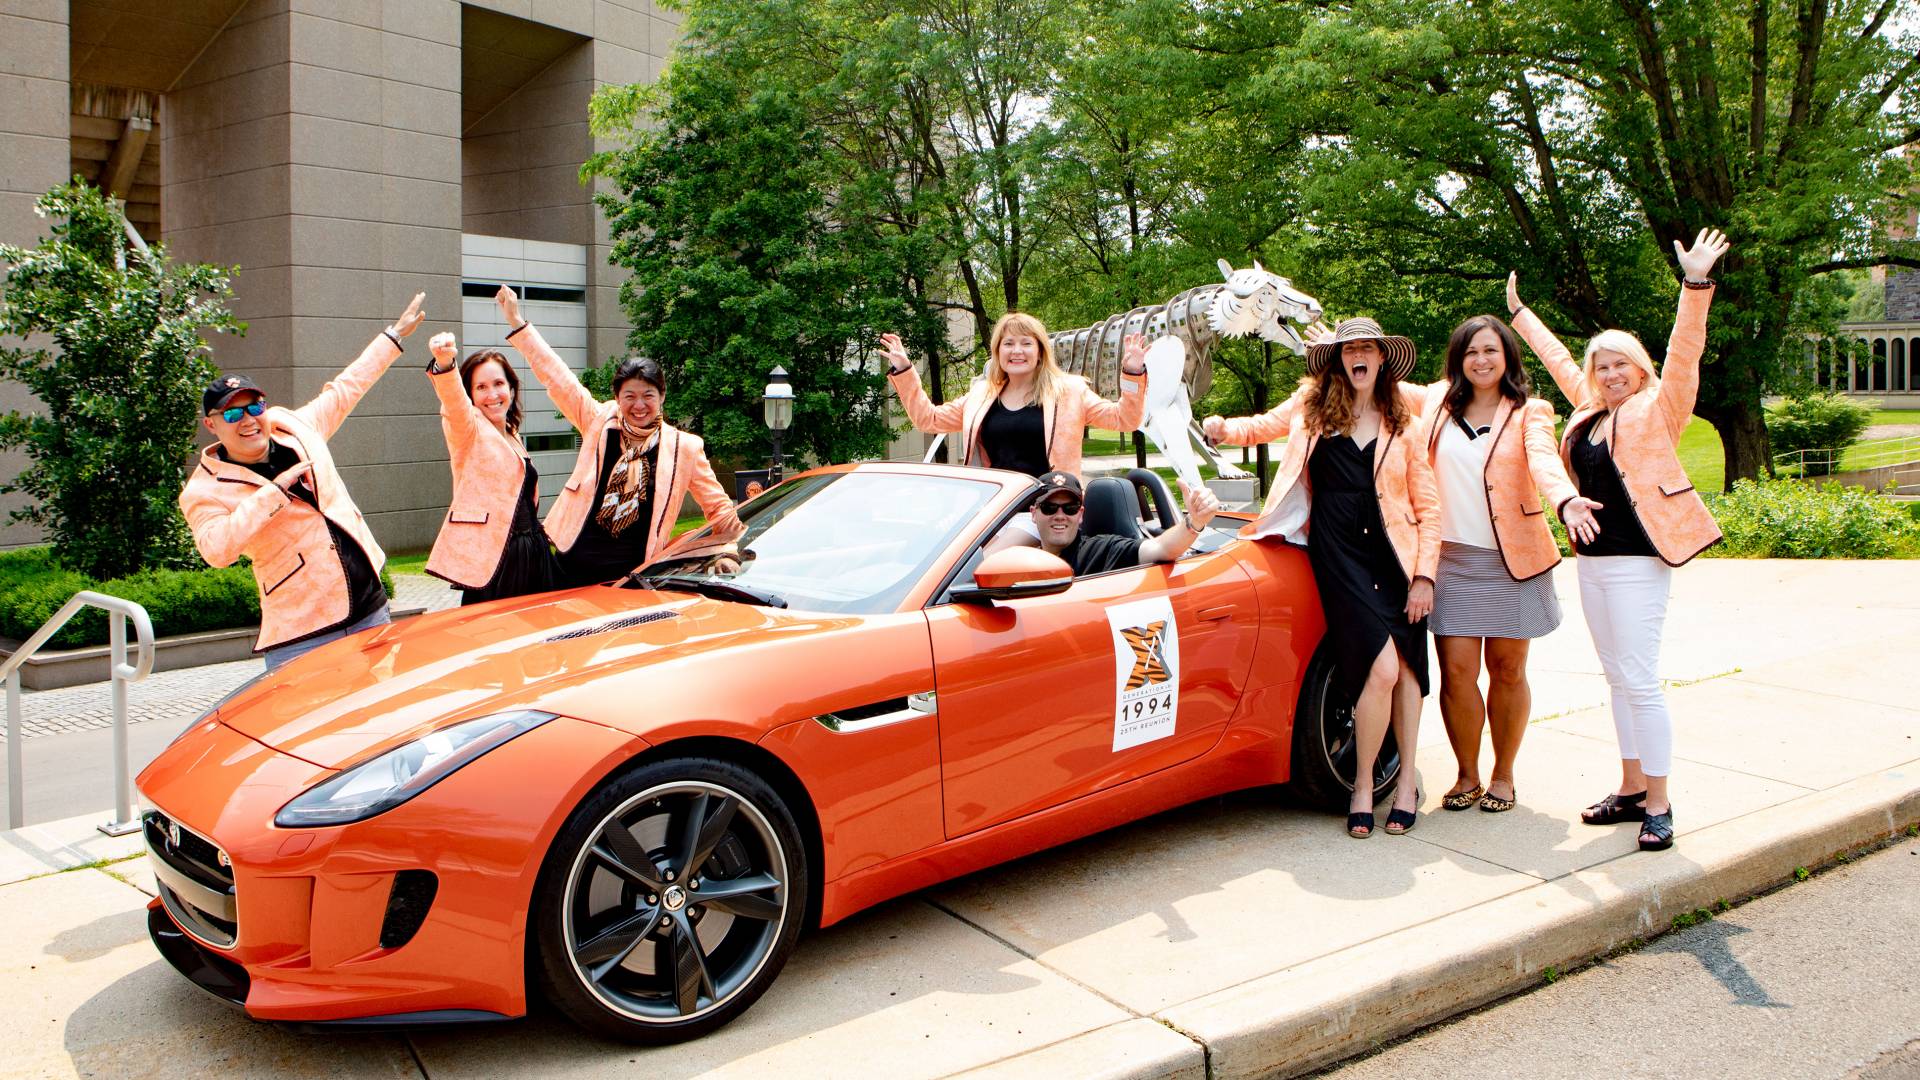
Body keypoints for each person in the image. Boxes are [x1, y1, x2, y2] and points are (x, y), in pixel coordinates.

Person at [1507, 227, 1730, 852]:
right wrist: (1521, 316)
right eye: (1601, 366)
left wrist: (1695, 285)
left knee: (1639, 678)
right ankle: (1631, 788)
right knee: (1616, 677)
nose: (1609, 374)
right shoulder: (1589, 411)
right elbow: (1558, 361)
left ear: (1639, 369)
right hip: (1594, 563)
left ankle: (1659, 801)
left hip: (1638, 561)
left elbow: (1684, 353)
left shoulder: (1658, 407)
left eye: (1620, 364)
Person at [1202, 318, 1439, 839]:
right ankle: (1362, 786)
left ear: (1381, 358)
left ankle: (1404, 785)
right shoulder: (1312, 409)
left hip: (1395, 555)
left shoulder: (1406, 423)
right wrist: (1222, 428)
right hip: (1339, 553)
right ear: (1337, 359)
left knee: (1408, 671)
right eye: (1349, 349)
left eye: (1367, 348)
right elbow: (1261, 426)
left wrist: (1424, 576)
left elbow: (1428, 505)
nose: (1358, 356)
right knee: (1381, 669)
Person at [1416, 315, 1603, 815]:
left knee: (1507, 670)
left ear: (1507, 358)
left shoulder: (1530, 411)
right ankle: (1467, 774)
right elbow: (1375, 383)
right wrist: (1331, 346)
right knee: (1456, 672)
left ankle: (1503, 775)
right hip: (1451, 560)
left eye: (1490, 351)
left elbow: (1543, 459)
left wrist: (1565, 499)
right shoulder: (1435, 402)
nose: (1481, 360)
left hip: (1512, 561)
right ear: (1458, 359)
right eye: (1471, 352)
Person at [180, 294, 426, 671]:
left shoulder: (294, 427)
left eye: (255, 406)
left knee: (378, 707)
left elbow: (344, 390)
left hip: (369, 607)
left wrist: (393, 336)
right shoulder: (203, 490)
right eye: (232, 413)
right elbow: (217, 551)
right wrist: (273, 494)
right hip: (302, 631)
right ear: (211, 424)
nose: (248, 419)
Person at [495, 285, 739, 588]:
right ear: (617, 396)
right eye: (629, 396)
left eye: (648, 395)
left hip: (631, 579)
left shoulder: (684, 448)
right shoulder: (599, 421)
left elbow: (718, 508)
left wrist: (730, 549)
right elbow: (558, 379)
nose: (639, 405)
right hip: (570, 567)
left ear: (662, 395)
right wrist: (517, 322)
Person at [880, 314, 1148, 481]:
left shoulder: (1070, 392)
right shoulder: (981, 396)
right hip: (998, 506)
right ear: (997, 352)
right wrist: (904, 370)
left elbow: (1125, 419)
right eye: (1008, 343)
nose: (1016, 350)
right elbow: (929, 420)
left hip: (1050, 506)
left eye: (1026, 343)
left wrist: (1133, 373)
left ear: (1040, 352)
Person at [422, 332, 559, 605]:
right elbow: (454, 404)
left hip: (536, 551)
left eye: (498, 383)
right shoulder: (467, 428)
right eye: (481, 387)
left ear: (511, 389)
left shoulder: (511, 433)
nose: (492, 394)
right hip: (500, 561)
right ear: (470, 394)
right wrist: (445, 364)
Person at [993, 472, 1221, 574]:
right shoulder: (1020, 560)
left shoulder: (1101, 550)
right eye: (1049, 508)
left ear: (1080, 514)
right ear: (1034, 514)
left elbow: (1161, 548)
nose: (1060, 515)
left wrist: (1194, 522)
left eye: (1070, 508)